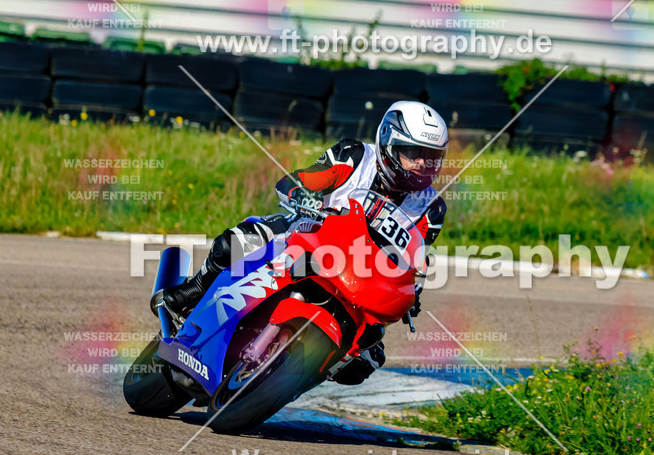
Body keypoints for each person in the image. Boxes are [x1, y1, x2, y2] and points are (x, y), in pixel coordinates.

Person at [151, 100, 449, 384]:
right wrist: (302, 193)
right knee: (238, 242)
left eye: (432, 157)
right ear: (389, 144)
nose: (423, 164)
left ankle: (287, 378)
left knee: (365, 360)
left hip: (359, 278)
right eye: (414, 153)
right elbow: (303, 179)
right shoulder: (355, 155)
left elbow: (415, 258)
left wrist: (412, 289)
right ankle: (194, 292)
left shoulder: (432, 208)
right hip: (310, 235)